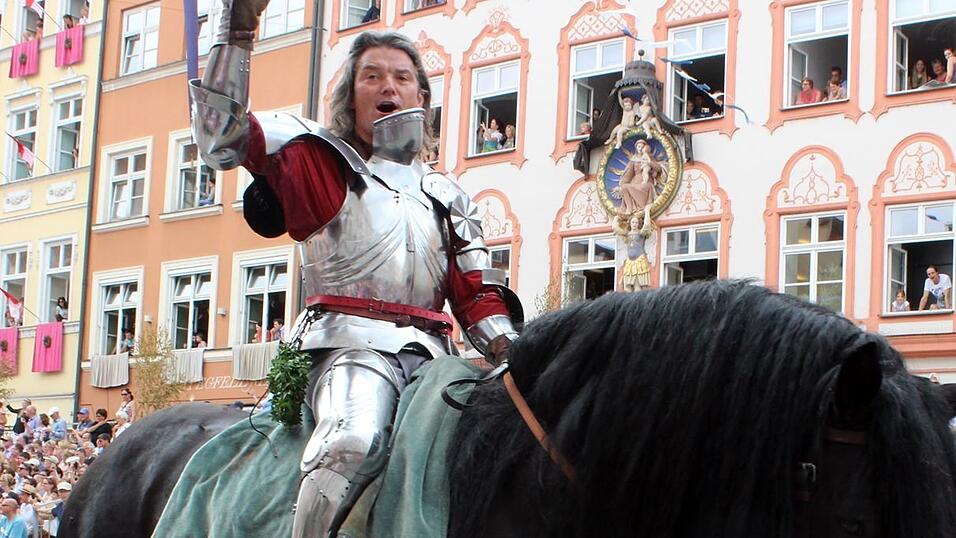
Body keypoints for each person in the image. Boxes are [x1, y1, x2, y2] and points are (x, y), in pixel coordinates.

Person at [189, 20, 521, 537]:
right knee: (353, 441)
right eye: (372, 76)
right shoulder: (322, 164)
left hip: (437, 362)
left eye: (402, 77)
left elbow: (476, 295)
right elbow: (222, 137)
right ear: (351, 95)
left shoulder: (448, 195)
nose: (389, 86)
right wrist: (235, 35)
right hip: (347, 348)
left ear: (421, 96)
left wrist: (515, 351)